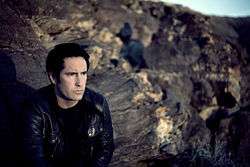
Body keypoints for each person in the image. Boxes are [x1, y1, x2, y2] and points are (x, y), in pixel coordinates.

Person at [21, 43, 114, 167]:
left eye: (83, 73)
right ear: (53, 77)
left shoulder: (98, 103)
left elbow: (105, 148)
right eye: (72, 74)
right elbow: (34, 158)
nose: (80, 83)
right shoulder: (35, 108)